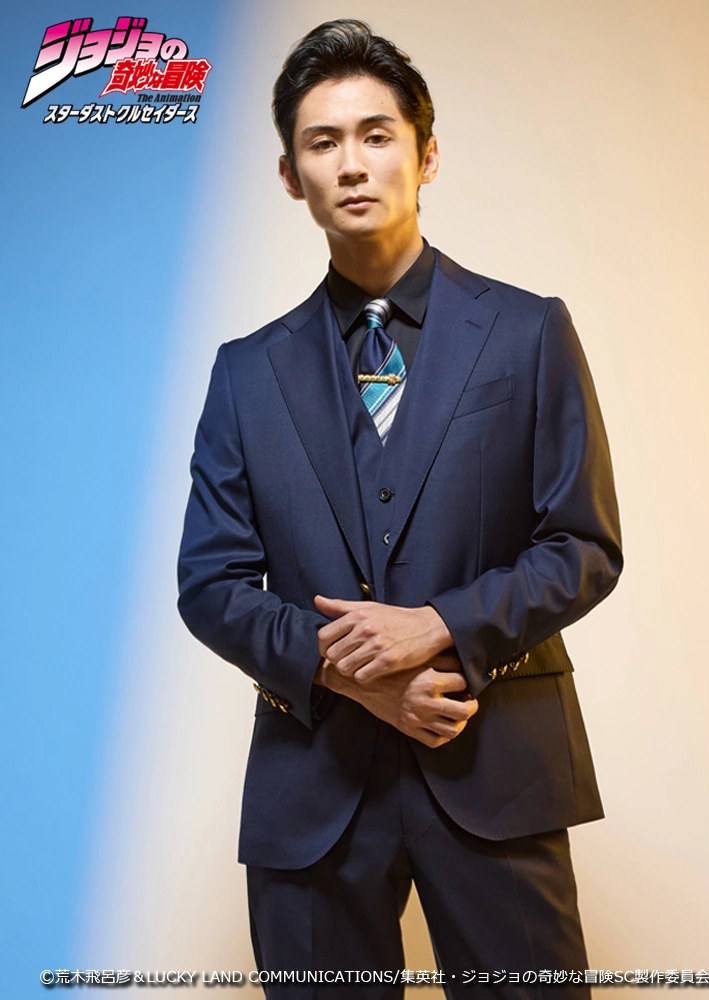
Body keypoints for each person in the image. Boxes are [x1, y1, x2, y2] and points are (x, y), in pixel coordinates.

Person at [177, 18, 623, 999]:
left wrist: (437, 627)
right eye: (322, 142)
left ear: (427, 154)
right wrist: (352, 677)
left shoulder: (528, 332)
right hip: (312, 793)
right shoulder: (246, 374)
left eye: (376, 135)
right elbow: (210, 586)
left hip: (496, 769)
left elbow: (583, 545)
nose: (351, 163)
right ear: (290, 175)